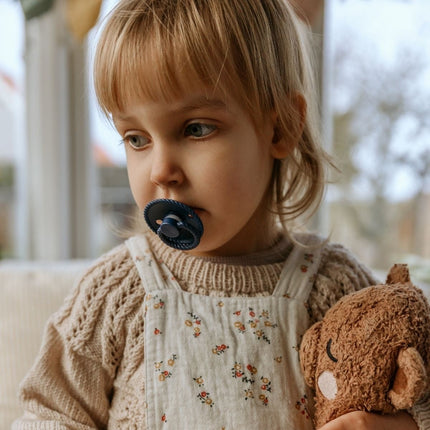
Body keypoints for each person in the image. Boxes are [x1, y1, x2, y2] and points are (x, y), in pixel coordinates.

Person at [13, 0, 429, 429]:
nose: (160, 171)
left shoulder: (337, 289)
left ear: (281, 126)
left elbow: (414, 389)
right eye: (136, 139)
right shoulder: (114, 293)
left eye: (195, 129)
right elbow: (47, 414)